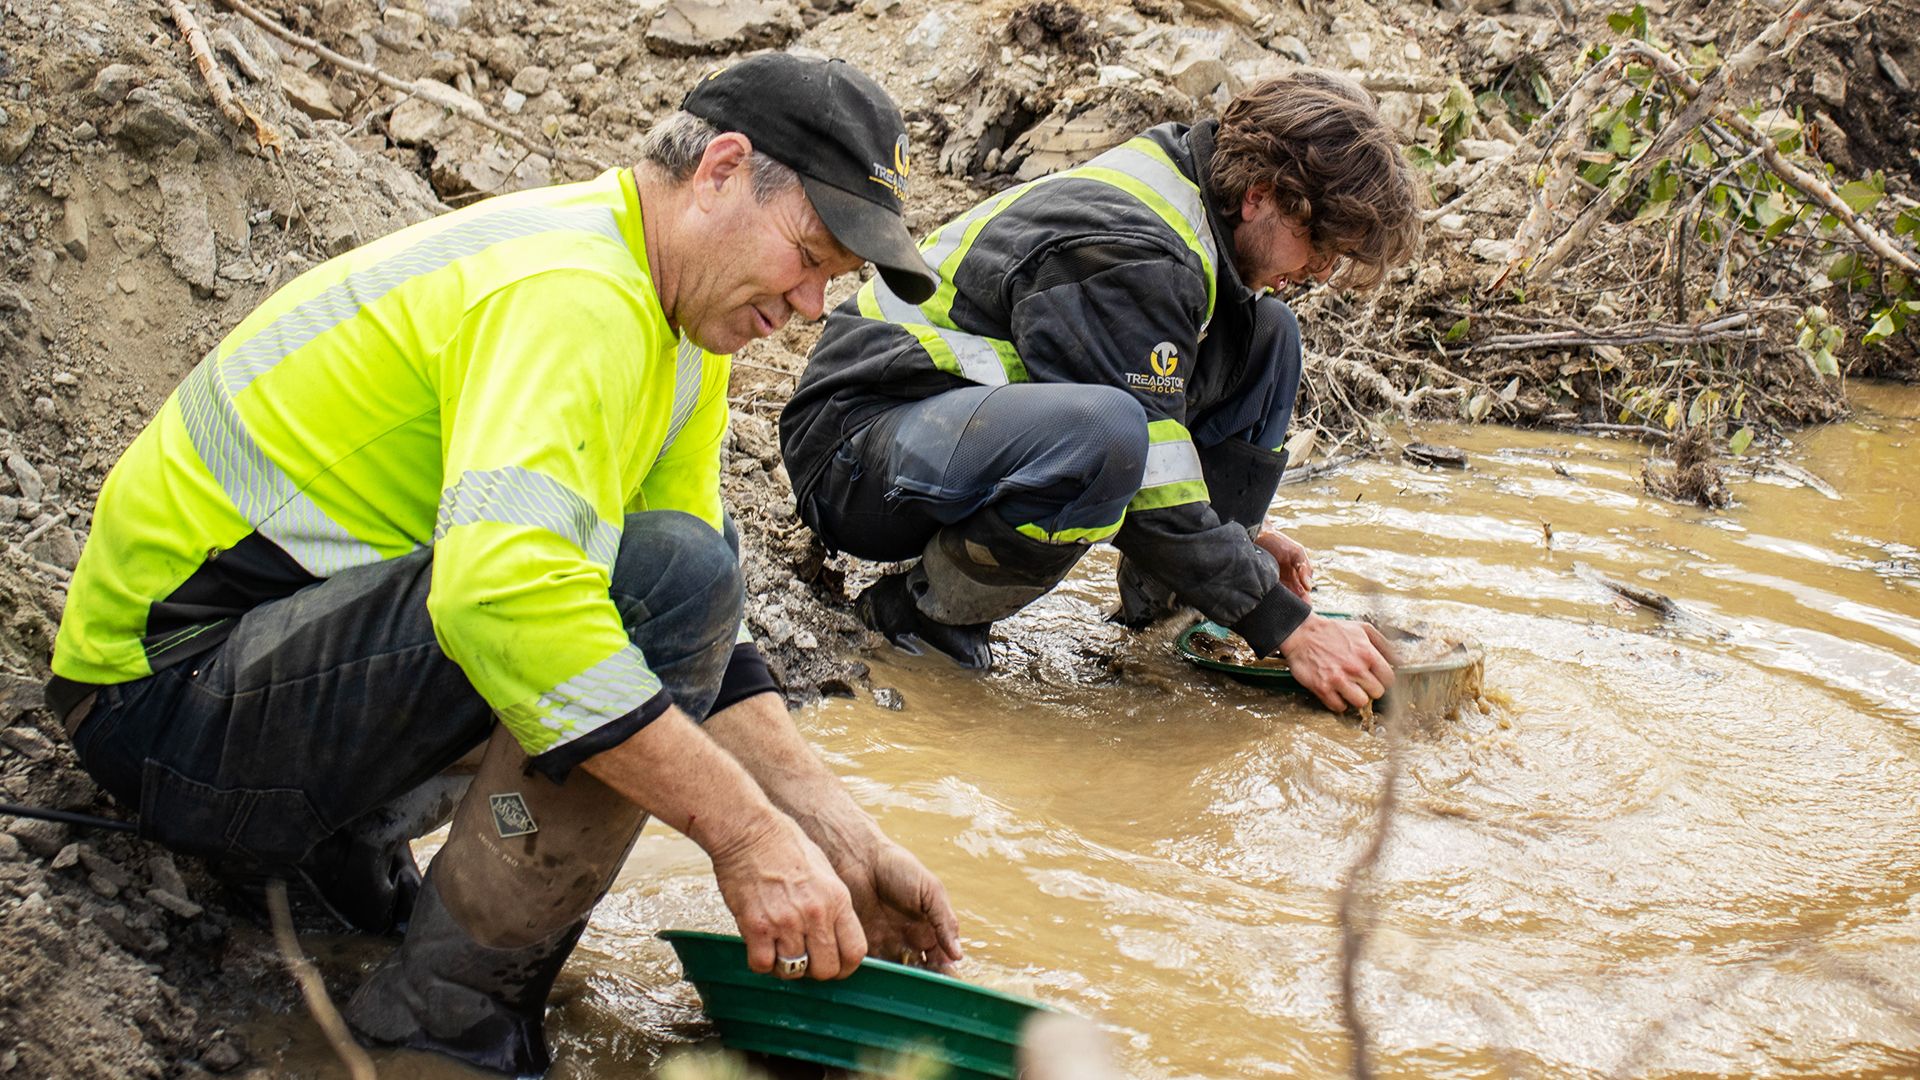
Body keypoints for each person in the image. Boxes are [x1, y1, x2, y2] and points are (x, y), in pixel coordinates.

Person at [46, 54, 961, 1076]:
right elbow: (505, 598)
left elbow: (709, 633)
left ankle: (349, 862)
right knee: (638, 584)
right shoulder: (572, 292)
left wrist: (834, 832)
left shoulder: (672, 327)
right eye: (807, 256)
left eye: (831, 283)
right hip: (165, 709)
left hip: (268, 676)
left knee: (683, 574)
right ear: (720, 169)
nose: (804, 308)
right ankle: (441, 1029)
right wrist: (746, 840)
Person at [778, 70, 1421, 713]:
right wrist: (1286, 623)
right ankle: (922, 623)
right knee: (1109, 434)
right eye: (1320, 245)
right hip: (854, 446)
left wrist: (1238, 545)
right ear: (1259, 195)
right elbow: (1146, 470)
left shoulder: (1197, 203)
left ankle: (1172, 617)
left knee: (1268, 335)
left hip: (954, 434)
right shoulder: (1138, 252)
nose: (1319, 271)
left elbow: (1166, 435)